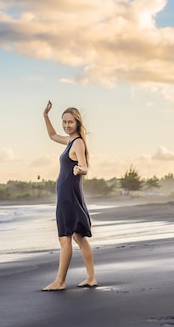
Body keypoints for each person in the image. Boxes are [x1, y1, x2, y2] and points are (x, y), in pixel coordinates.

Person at [42, 100, 98, 291]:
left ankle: (60, 281)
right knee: (78, 237)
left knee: (65, 238)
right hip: (67, 194)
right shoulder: (70, 141)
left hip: (69, 196)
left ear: (77, 123)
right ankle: (91, 278)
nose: (66, 125)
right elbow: (51, 135)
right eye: (64, 122)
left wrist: (79, 170)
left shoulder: (78, 143)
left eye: (70, 122)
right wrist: (46, 116)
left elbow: (84, 167)